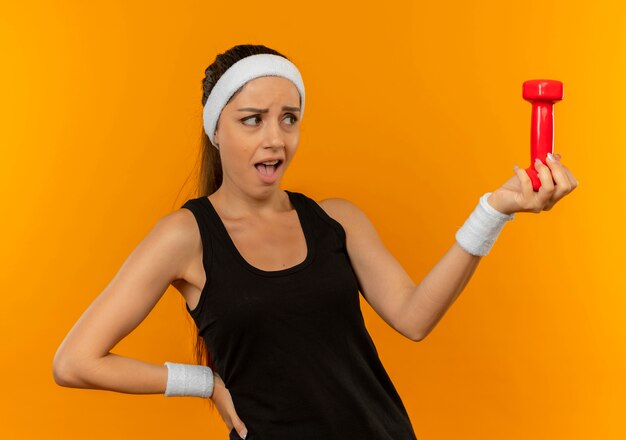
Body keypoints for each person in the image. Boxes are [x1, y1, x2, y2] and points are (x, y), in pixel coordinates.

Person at [52, 44, 579, 439]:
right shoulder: (185, 237)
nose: (274, 139)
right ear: (216, 129)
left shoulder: (337, 220)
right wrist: (204, 382)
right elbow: (75, 361)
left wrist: (492, 212)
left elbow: (415, 317)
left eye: (289, 119)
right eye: (251, 120)